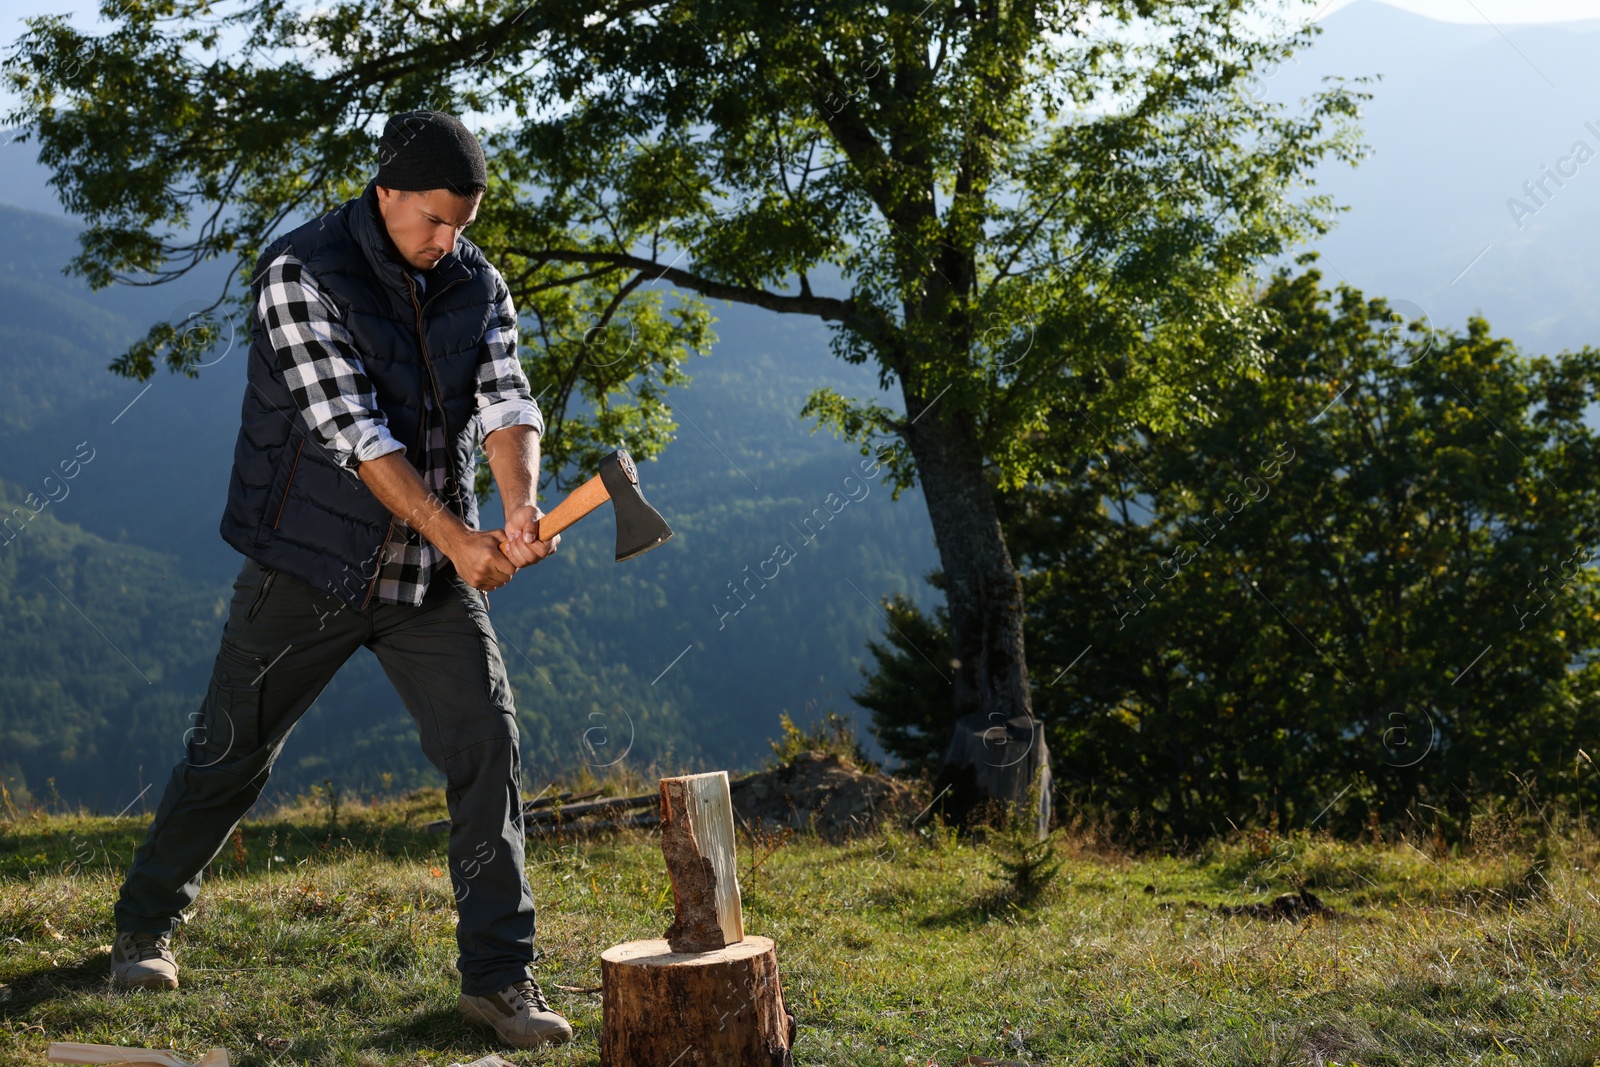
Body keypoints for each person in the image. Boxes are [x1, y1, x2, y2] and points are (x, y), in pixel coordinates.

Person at [106, 110, 574, 1049]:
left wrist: (518, 506)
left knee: (487, 744)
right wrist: (455, 534)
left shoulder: (474, 280)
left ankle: (496, 978)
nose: (450, 241)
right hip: (308, 561)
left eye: (465, 223)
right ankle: (144, 925)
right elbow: (354, 433)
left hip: (423, 578)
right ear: (388, 191)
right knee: (230, 752)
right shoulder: (300, 272)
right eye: (435, 220)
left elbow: (508, 398)